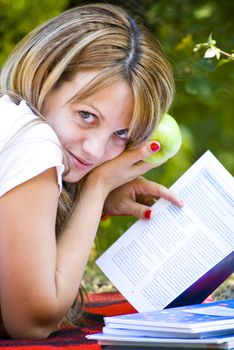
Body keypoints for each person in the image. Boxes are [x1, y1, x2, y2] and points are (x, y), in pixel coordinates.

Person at [0, 3, 183, 340]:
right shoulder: (34, 141)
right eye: (86, 115)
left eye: (121, 134)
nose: (96, 150)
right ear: (44, 78)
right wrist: (97, 187)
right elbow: (32, 323)